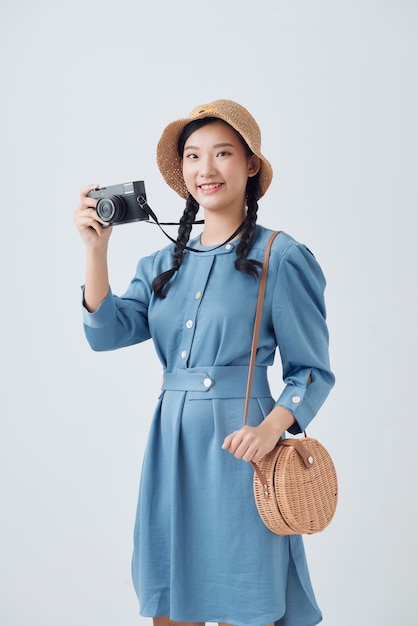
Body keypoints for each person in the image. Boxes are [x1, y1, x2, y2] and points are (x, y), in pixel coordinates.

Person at [74, 99, 335, 626]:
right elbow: (105, 334)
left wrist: (270, 429)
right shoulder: (161, 264)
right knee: (170, 601)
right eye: (193, 157)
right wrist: (95, 251)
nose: (205, 170)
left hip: (245, 448)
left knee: (247, 600)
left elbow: (312, 371)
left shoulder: (281, 256)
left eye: (222, 153)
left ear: (251, 164)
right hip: (172, 447)